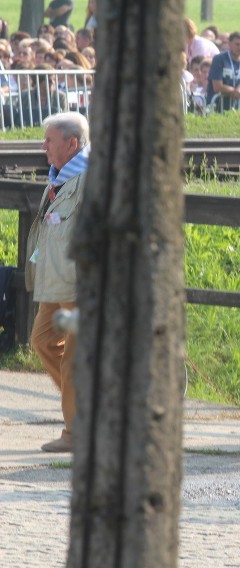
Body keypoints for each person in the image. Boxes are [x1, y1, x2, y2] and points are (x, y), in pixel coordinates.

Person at [26, 112, 90, 453]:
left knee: (75, 358)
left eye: (49, 140)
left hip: (81, 284)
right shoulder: (61, 177)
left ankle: (77, 433)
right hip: (57, 282)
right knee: (43, 341)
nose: (43, 146)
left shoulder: (92, 179)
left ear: (72, 144)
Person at [207, 32, 240, 112]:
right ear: (229, 44)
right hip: (216, 105)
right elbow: (217, 86)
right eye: (237, 44)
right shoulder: (219, 59)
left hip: (236, 106)